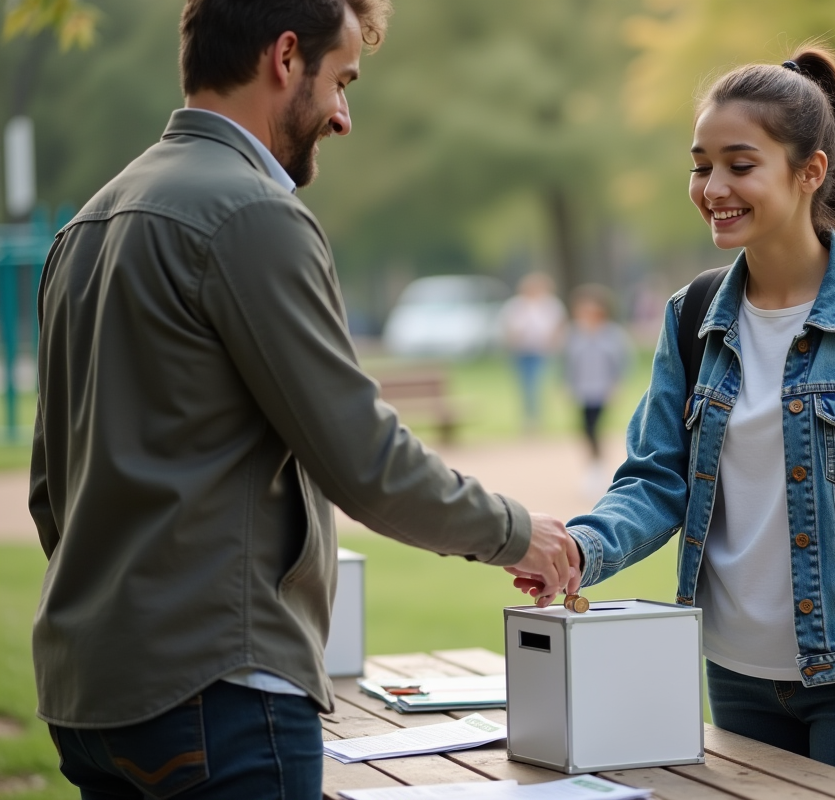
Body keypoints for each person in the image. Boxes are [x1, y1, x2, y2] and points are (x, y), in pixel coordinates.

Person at [29, 2, 579, 797]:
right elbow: (363, 460)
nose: (344, 116)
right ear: (286, 57)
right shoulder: (254, 213)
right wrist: (517, 534)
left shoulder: (86, 224)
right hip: (216, 696)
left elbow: (52, 489)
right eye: (342, 80)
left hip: (90, 699)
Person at [511, 48, 835, 797]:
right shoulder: (692, 318)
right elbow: (655, 479)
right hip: (733, 677)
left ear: (810, 170)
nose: (712, 188)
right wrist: (582, 547)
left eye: (740, 165)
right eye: (700, 164)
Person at [563, 284, 632, 487]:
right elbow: (568, 363)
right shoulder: (574, 334)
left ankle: (598, 467)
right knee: (585, 428)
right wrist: (567, 385)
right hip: (582, 389)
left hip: (602, 389)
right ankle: (593, 466)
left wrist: (617, 385)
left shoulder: (612, 335)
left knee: (594, 427)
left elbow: (620, 363)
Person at [498, 272, 567, 431]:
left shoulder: (551, 305)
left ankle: (538, 417)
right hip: (522, 351)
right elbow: (509, 328)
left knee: (539, 383)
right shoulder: (516, 305)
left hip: (542, 351)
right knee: (525, 385)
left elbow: (558, 327)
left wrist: (553, 344)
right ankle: (529, 418)